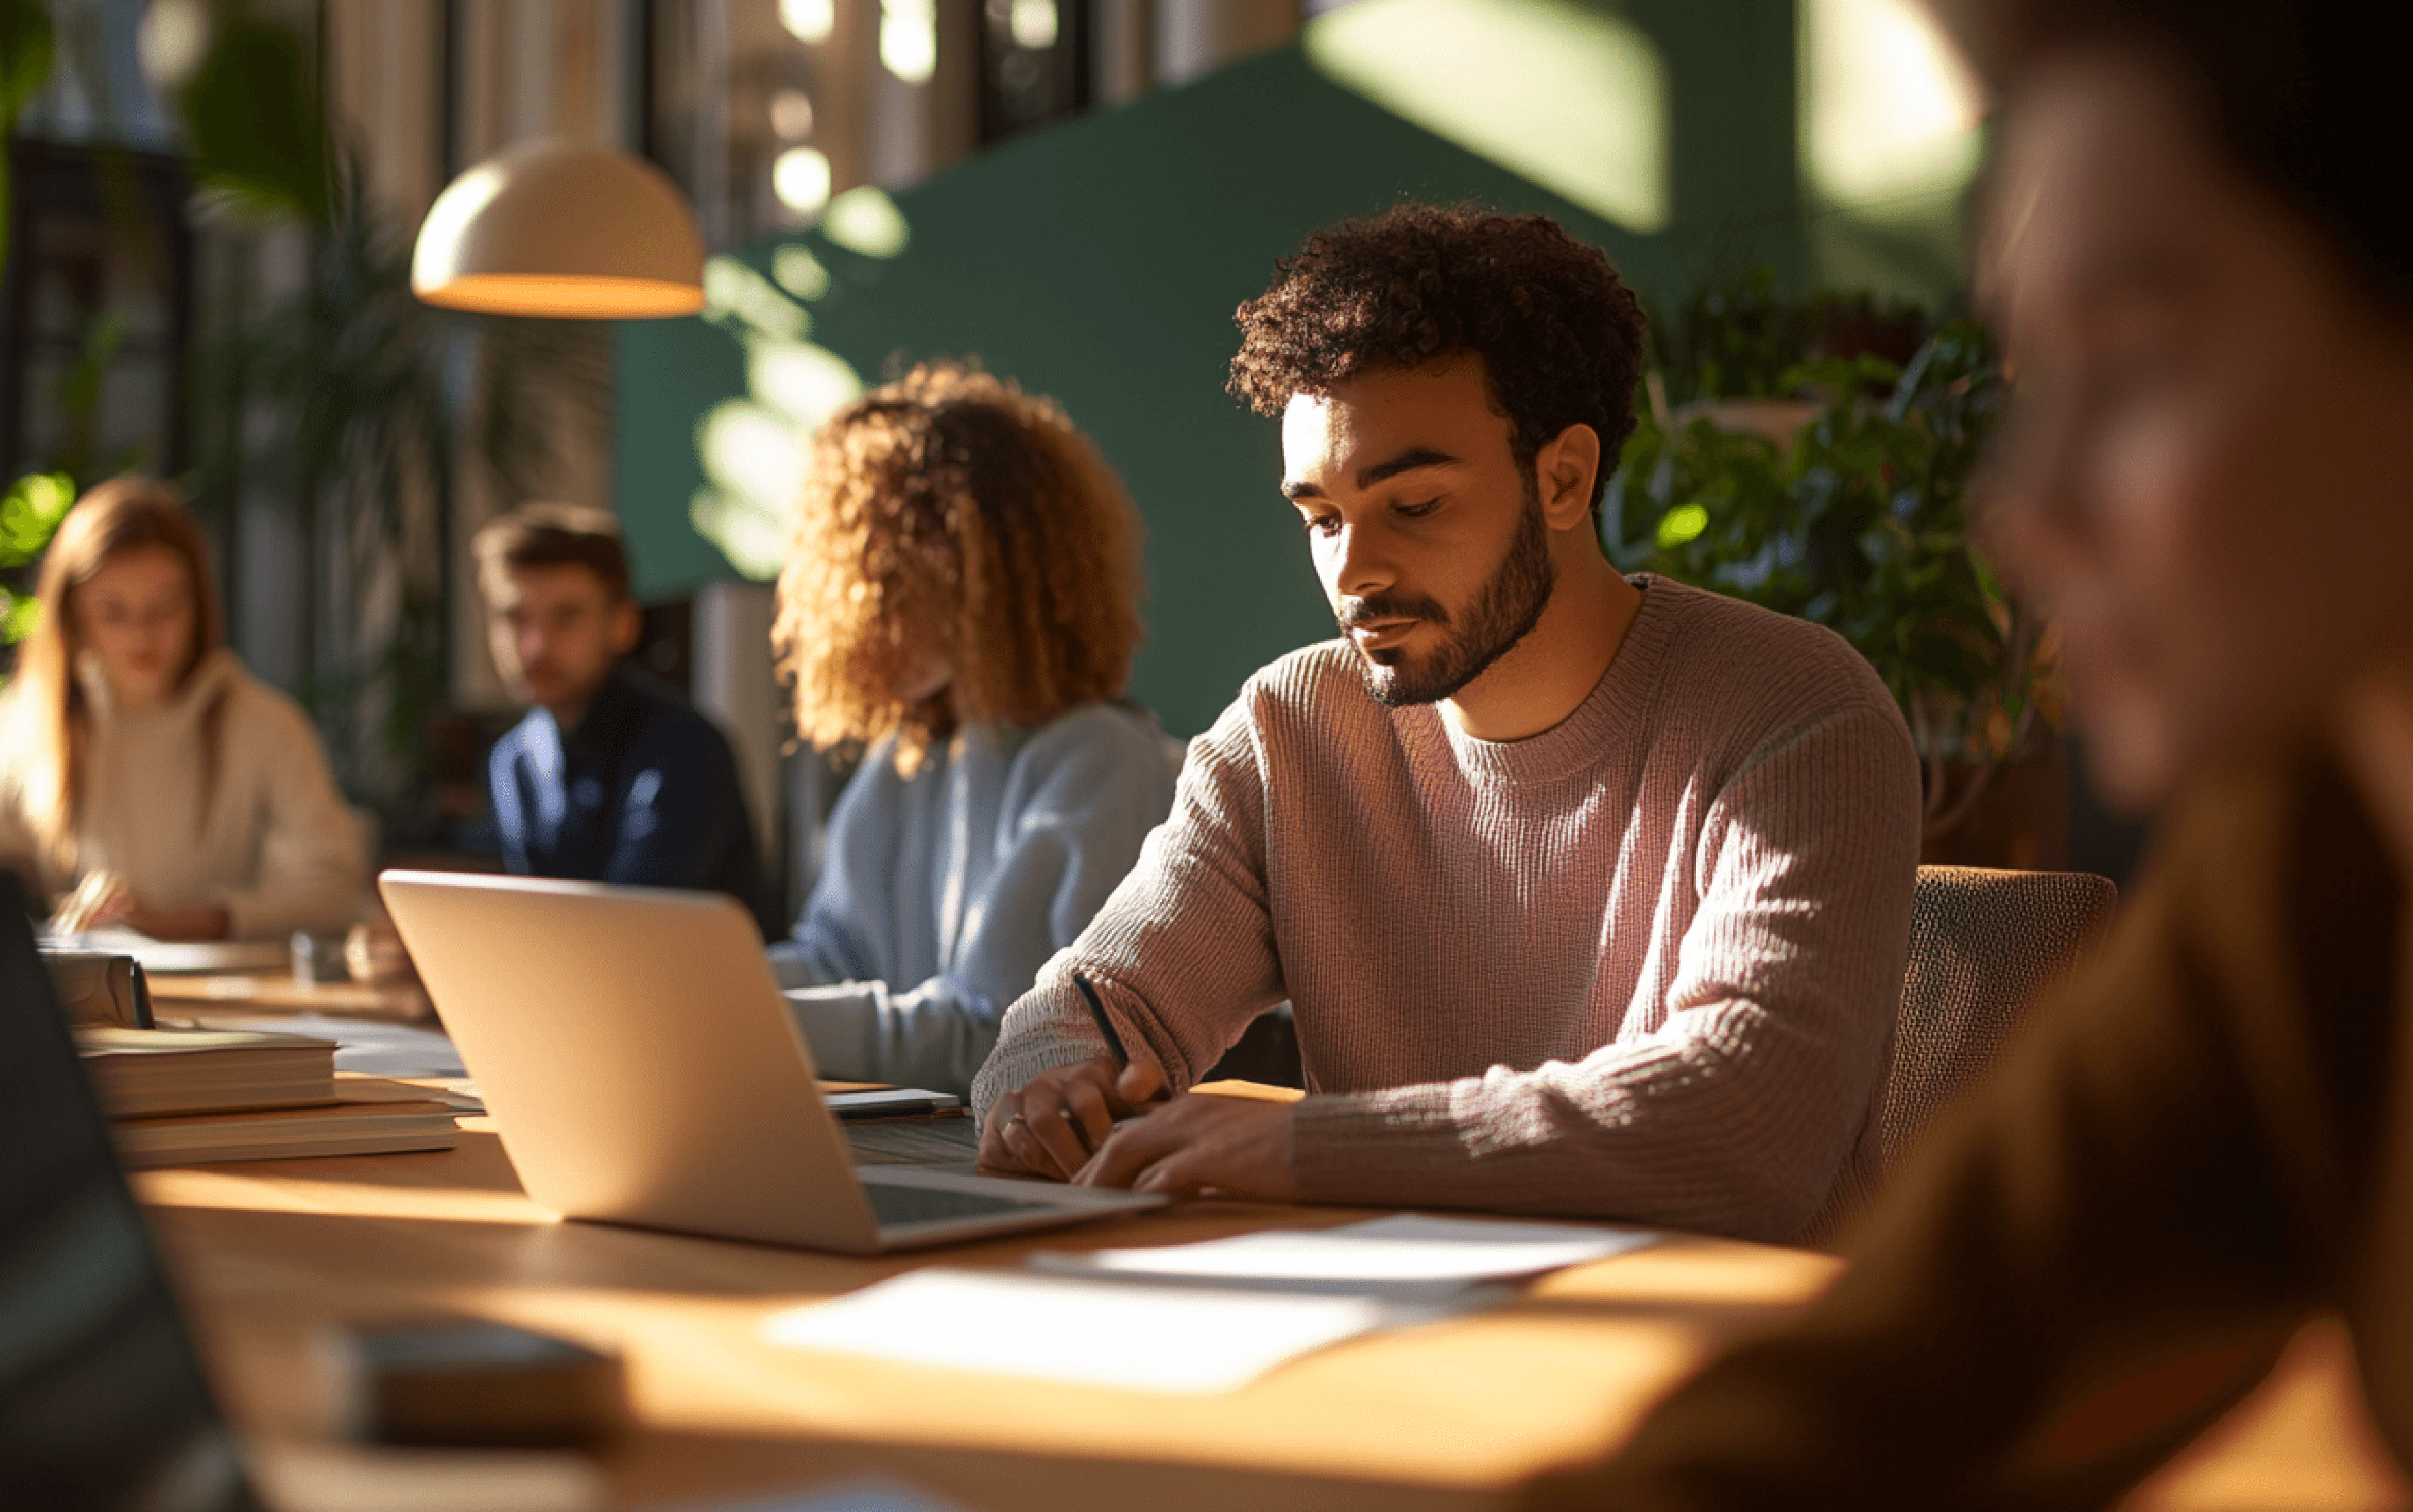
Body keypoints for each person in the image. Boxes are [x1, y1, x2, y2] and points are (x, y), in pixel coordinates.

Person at [1517, 0, 2413, 1503]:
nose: (2021, 508)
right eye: (2027, 383)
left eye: (2132, 360)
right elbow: (1902, 1389)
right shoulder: (2317, 849)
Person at [971, 205, 1924, 1244]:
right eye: (1321, 519)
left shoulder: (1796, 712)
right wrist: (1043, 1081)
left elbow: (1746, 1124)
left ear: (1563, 477)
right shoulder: (1290, 730)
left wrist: (1300, 1148)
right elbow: (1085, 1008)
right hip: (1398, 1342)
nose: (1354, 572)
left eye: (1413, 507)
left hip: (1721, 1363)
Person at [765, 360, 1178, 1095]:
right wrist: (691, 993)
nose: (870, 605)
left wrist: (741, 1020)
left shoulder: (1098, 757)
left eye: (895, 571)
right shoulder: (907, 757)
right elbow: (834, 958)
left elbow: (996, 1035)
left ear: (992, 571)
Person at [0, 477, 364, 940]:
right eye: (114, 613)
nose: (142, 637)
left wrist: (171, 925)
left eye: (164, 610)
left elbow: (332, 891)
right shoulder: (27, 719)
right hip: (81, 999)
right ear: (74, 618)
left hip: (229, 998)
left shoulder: (267, 725)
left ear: (197, 607)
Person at [475, 504, 767, 924]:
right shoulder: (513, 759)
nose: (535, 646)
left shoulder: (684, 750)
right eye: (514, 618)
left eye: (567, 617)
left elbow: (627, 930)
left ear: (623, 624)